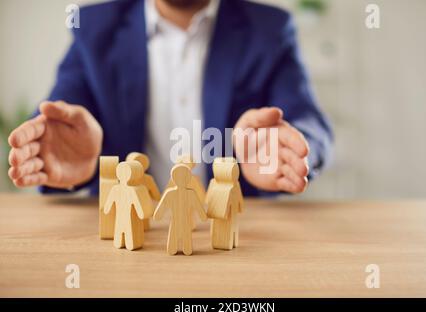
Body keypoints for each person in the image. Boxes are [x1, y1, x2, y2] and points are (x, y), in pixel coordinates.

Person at [7, 0, 333, 197]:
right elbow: (60, 117)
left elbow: (309, 123)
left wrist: (291, 148)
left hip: (239, 237)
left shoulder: (270, 29)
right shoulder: (93, 28)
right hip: (125, 239)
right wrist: (52, 148)